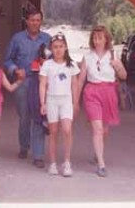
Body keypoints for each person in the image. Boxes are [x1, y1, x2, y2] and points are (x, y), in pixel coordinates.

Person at [78, 26, 127, 177]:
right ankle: (101, 164)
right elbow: (81, 80)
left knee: (104, 130)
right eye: (95, 38)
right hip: (92, 93)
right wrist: (75, 101)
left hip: (109, 93)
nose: (97, 41)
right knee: (97, 128)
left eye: (100, 38)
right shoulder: (87, 57)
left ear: (106, 39)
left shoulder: (113, 56)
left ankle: (97, 152)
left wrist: (118, 68)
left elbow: (124, 76)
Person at [4, 9, 51, 168]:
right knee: (24, 117)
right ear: (26, 21)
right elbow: (7, 61)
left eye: (38, 20)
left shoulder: (47, 39)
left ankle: (38, 155)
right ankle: (24, 146)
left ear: (41, 22)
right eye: (32, 20)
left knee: (38, 117)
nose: (35, 23)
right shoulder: (17, 39)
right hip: (23, 83)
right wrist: (15, 70)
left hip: (40, 82)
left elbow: (56, 59)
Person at [39, 33, 80, 177]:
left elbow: (74, 84)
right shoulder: (47, 65)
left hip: (66, 101)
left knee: (67, 130)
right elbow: (43, 84)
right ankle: (53, 163)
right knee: (53, 132)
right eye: (55, 47)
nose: (58, 50)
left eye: (61, 47)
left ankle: (67, 162)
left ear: (66, 48)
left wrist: (76, 102)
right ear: (51, 48)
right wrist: (42, 102)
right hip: (51, 101)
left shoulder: (72, 65)